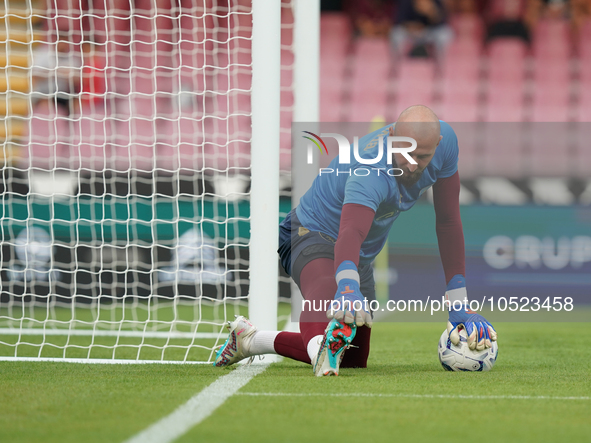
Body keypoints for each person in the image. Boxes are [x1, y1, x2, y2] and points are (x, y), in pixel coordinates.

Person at [213, 105, 497, 376]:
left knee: (354, 359)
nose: (411, 164)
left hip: (357, 254)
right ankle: (320, 352)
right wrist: (348, 287)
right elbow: (351, 232)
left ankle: (250, 340)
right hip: (310, 231)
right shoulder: (369, 170)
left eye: (421, 156)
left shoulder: (446, 146)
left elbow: (447, 221)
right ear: (391, 138)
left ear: (438, 144)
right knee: (324, 300)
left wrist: (459, 304)